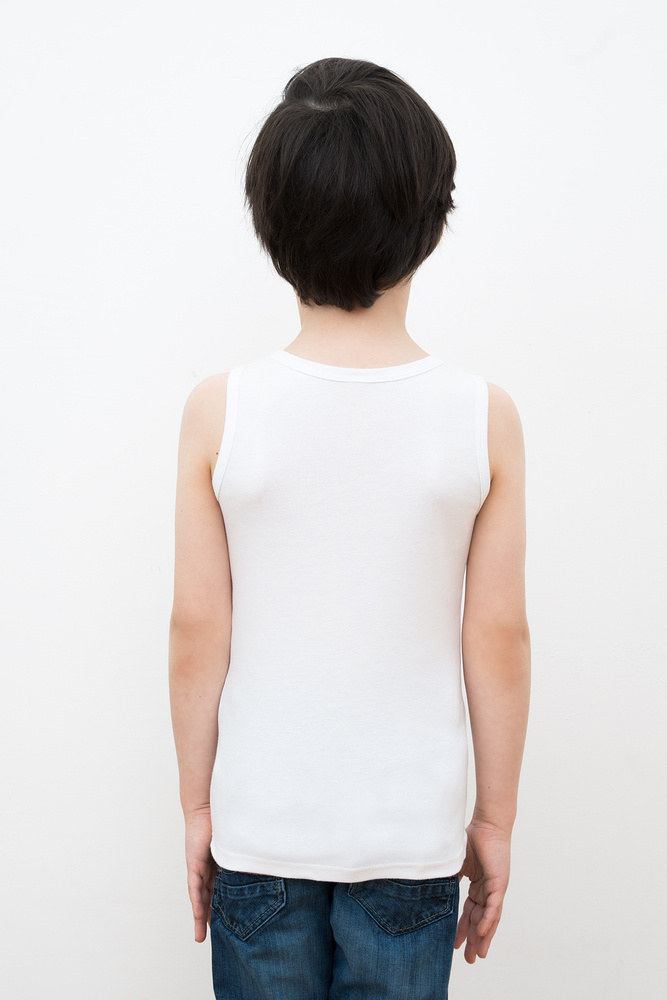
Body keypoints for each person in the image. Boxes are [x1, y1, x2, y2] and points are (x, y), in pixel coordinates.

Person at [169, 56, 531, 999]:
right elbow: (496, 635)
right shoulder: (482, 415)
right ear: (432, 222)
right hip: (408, 838)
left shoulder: (220, 410)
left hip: (260, 827)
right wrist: (493, 820)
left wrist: (198, 805)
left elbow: (197, 627)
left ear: (269, 225)